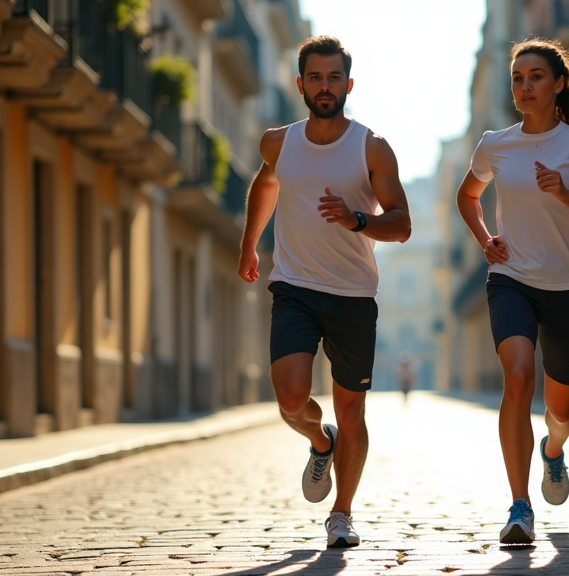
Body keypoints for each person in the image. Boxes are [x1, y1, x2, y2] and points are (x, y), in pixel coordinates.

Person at [238, 35, 412, 548]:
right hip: (294, 285)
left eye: (334, 77)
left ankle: (342, 514)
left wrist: (358, 219)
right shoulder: (278, 142)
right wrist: (250, 244)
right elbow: (266, 184)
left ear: (348, 84)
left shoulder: (371, 147)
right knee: (291, 397)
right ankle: (320, 441)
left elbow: (400, 224)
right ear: (300, 85)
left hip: (354, 294)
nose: (325, 86)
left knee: (351, 409)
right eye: (315, 77)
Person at [456, 38, 569, 545]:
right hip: (511, 280)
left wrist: (567, 194)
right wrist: (486, 240)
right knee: (517, 377)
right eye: (517, 78)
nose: (524, 86)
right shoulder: (495, 143)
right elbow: (467, 196)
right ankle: (519, 506)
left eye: (535, 77)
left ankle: (553, 450)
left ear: (557, 85)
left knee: (563, 411)